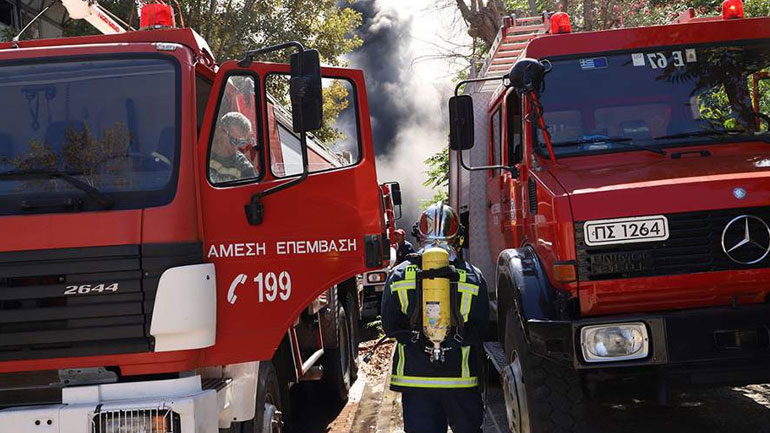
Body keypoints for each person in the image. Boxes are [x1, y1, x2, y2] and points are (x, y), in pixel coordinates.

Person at [381, 203, 489, 433]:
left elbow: (390, 326)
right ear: (457, 236)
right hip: (461, 379)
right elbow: (481, 329)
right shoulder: (473, 276)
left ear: (419, 234)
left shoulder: (399, 274)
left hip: (415, 379)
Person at [209, 112, 258, 183]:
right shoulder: (199, 149)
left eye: (241, 142)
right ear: (218, 131)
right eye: (234, 140)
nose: (236, 147)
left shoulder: (245, 169)